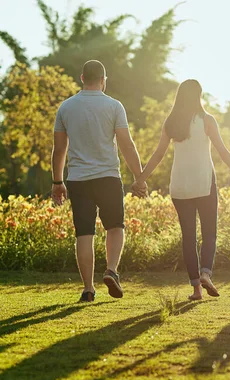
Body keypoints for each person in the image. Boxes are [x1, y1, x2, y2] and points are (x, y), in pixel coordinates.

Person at [133, 79, 230, 301]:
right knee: (209, 233)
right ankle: (206, 272)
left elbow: (158, 154)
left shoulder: (171, 123)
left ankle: (197, 289)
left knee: (188, 237)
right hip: (204, 182)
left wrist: (140, 179)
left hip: (180, 185)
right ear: (199, 95)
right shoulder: (206, 120)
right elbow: (223, 152)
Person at [51, 60, 147, 302]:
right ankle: (111, 270)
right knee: (115, 227)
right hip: (108, 177)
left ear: (82, 78)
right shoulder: (114, 106)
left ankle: (87, 289)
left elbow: (59, 149)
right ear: (104, 80)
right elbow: (126, 145)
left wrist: (57, 182)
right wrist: (139, 177)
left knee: (84, 234)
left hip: (78, 180)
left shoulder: (66, 107)